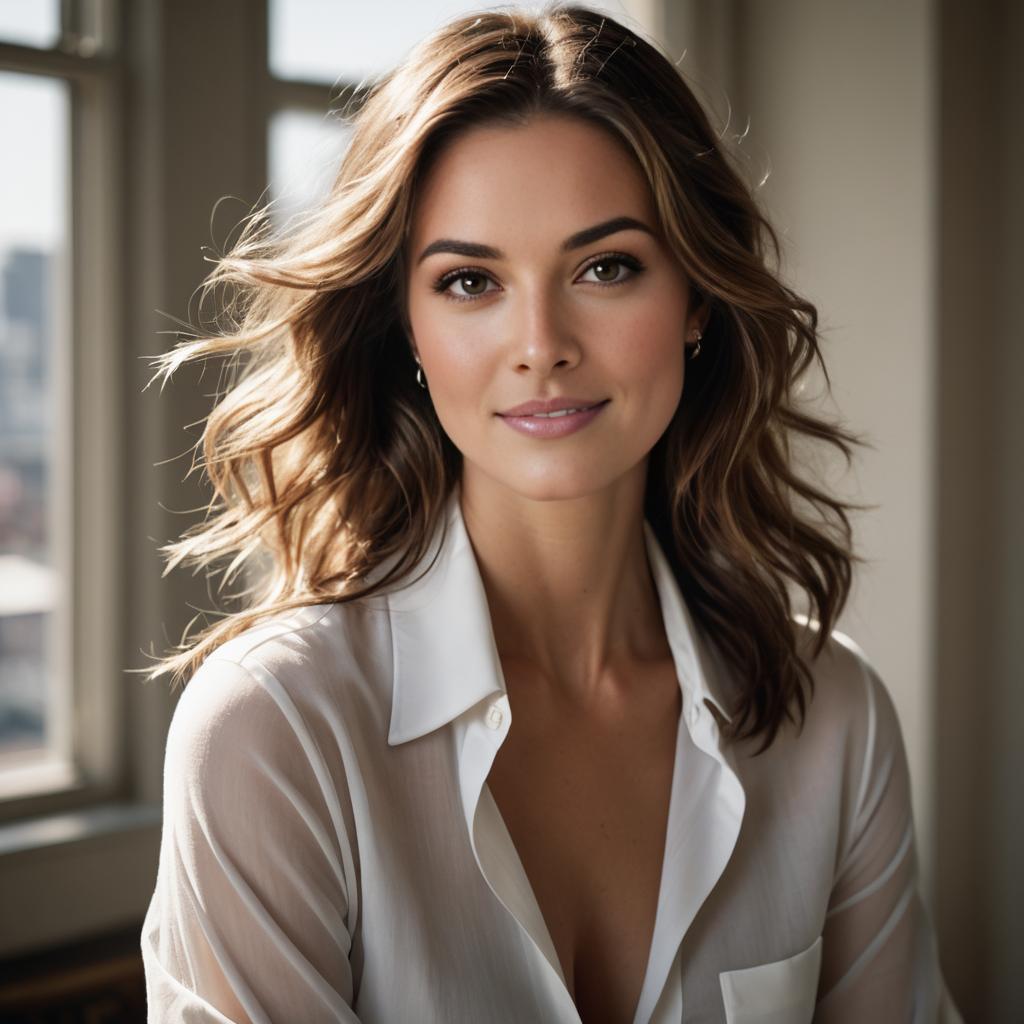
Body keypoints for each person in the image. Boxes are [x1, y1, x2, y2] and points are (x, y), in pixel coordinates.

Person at [139, 4, 963, 1022]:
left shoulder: (832, 716)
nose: (540, 343)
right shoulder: (275, 729)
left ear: (697, 296)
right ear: (405, 325)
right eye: (469, 280)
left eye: (605, 267)